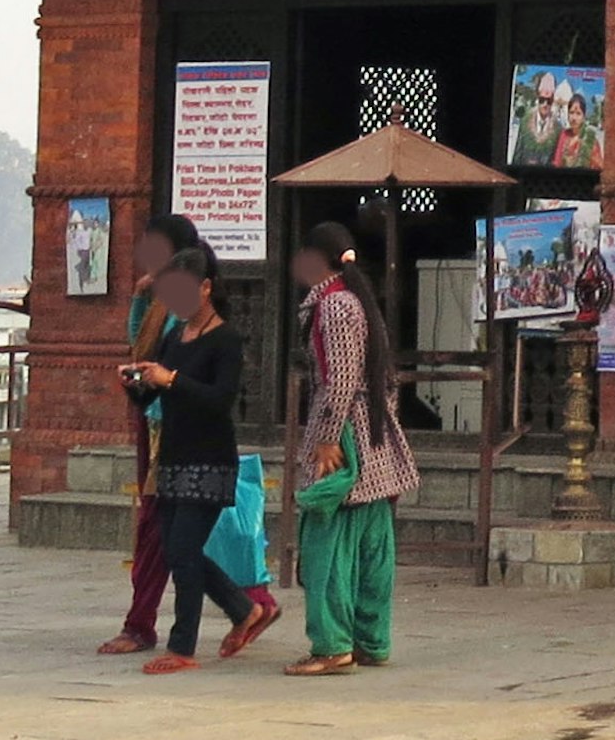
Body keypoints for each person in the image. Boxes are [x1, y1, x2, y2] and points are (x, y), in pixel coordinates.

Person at [126, 245, 281, 671]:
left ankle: (182, 646)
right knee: (181, 551)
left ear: (206, 288)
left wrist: (172, 379)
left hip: (210, 462)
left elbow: (220, 399)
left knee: (182, 549)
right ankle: (243, 609)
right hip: (174, 456)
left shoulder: (224, 339)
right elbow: (153, 398)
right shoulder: (176, 336)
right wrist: (137, 382)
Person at [285, 217, 421, 674]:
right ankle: (371, 641)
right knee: (372, 547)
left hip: (345, 436)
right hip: (373, 432)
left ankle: (332, 646)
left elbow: (339, 378)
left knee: (327, 547)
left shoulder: (335, 306)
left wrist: (326, 439)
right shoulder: (358, 301)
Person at [94, 212, 195, 656]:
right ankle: (250, 603)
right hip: (153, 417)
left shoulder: (188, 300)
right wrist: (138, 299)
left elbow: (169, 364)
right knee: (170, 526)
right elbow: (140, 348)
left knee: (158, 526)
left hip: (172, 426)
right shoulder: (160, 299)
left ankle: (140, 624)